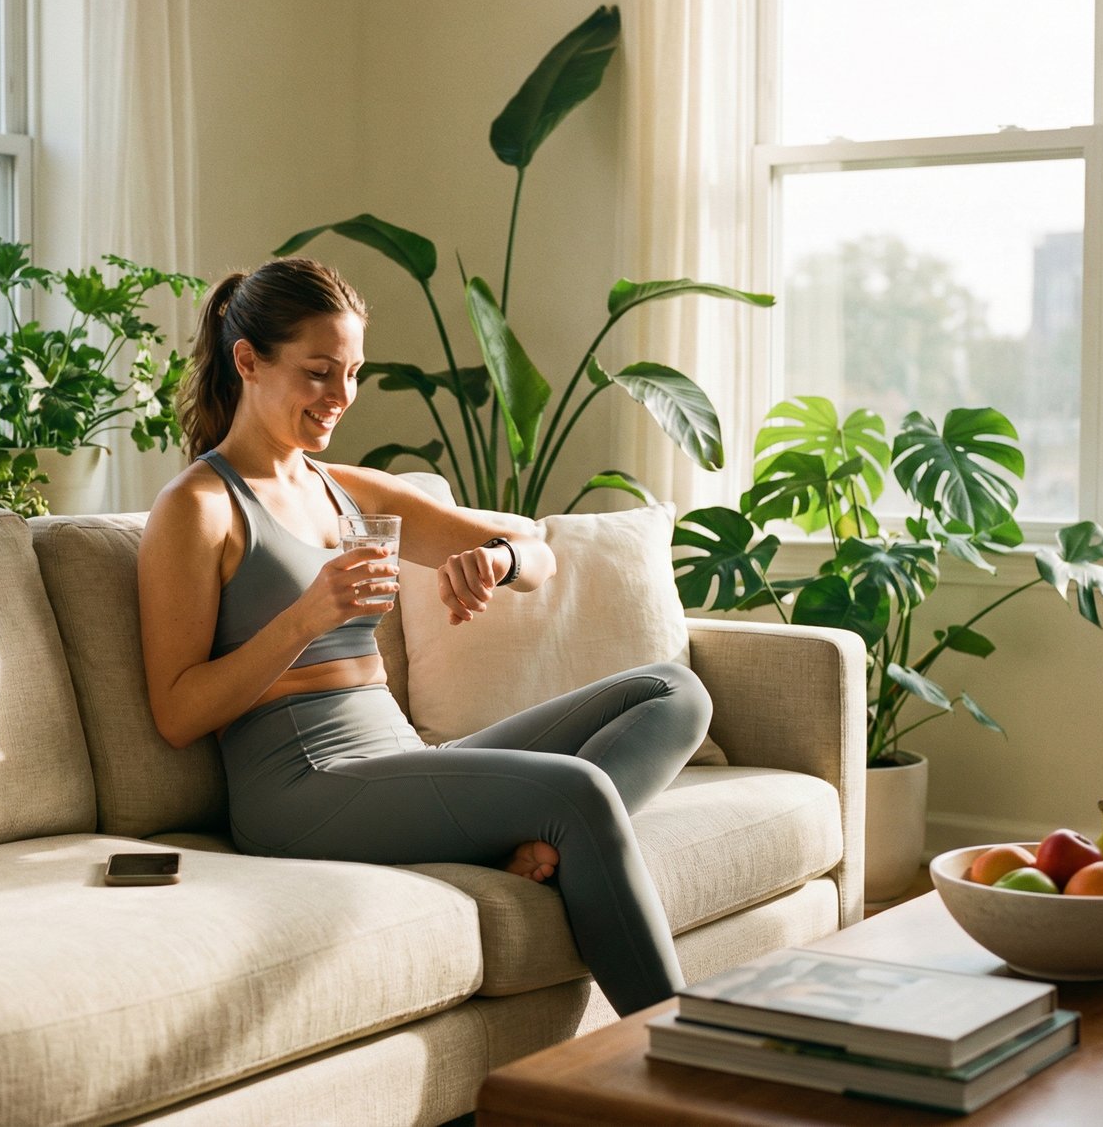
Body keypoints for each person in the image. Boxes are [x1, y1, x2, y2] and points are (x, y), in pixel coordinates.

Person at [137, 257, 712, 1016]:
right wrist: (311, 614)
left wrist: (497, 560)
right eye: (317, 373)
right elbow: (178, 713)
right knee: (575, 791)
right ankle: (678, 1053)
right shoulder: (199, 506)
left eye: (352, 373)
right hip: (301, 788)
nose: (340, 397)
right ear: (248, 361)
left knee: (674, 692)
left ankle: (538, 849)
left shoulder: (345, 488)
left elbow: (540, 552)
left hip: (400, 759)